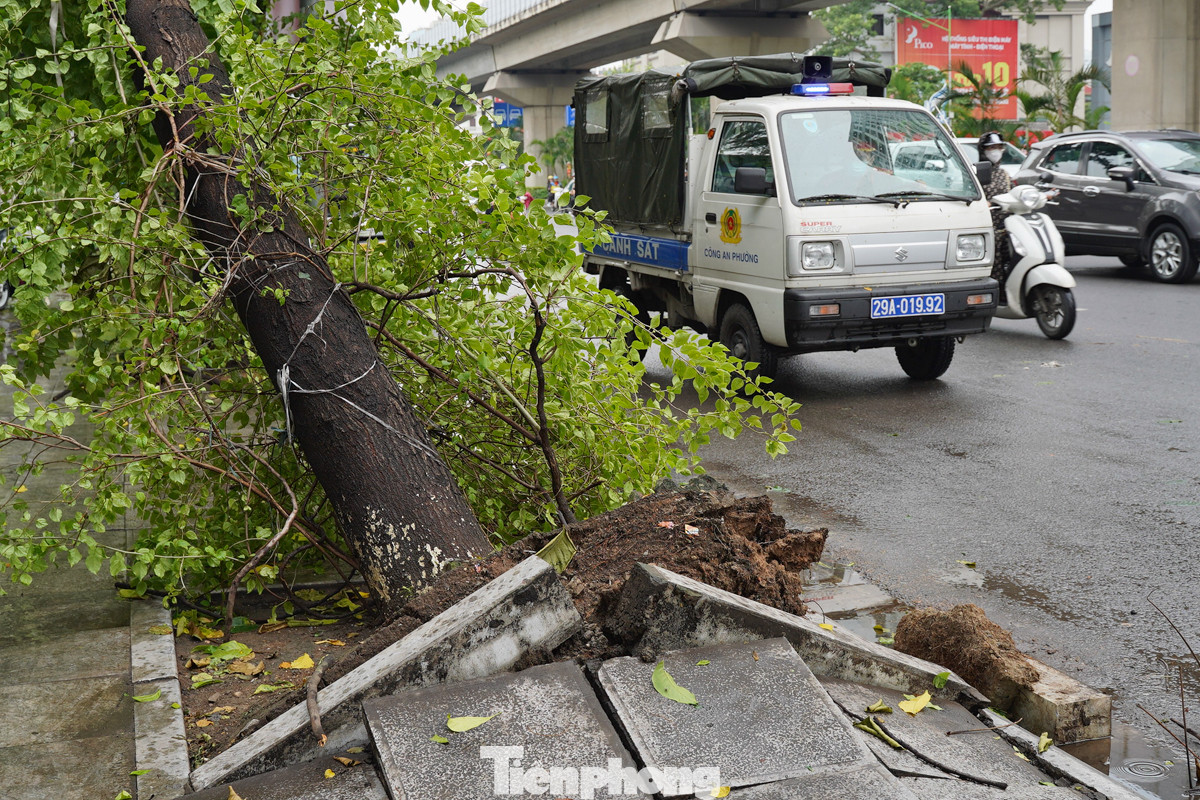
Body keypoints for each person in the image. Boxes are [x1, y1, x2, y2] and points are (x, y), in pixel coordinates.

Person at [979, 131, 1014, 300]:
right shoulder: (977, 172)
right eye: (991, 147)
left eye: (998, 147)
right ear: (983, 150)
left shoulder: (1005, 174)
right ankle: (996, 287)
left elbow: (1014, 194)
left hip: (1007, 223)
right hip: (987, 224)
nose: (995, 151)